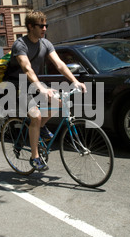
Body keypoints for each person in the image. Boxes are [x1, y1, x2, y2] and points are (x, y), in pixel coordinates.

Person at [5, 10, 86, 171]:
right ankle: (35, 157)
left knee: (59, 102)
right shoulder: (20, 44)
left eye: (45, 25)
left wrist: (75, 81)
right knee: (36, 116)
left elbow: (60, 64)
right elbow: (27, 69)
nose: (44, 28)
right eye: (41, 25)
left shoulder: (45, 43)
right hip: (16, 85)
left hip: (33, 83)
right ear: (30, 26)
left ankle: (39, 128)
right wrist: (41, 88)